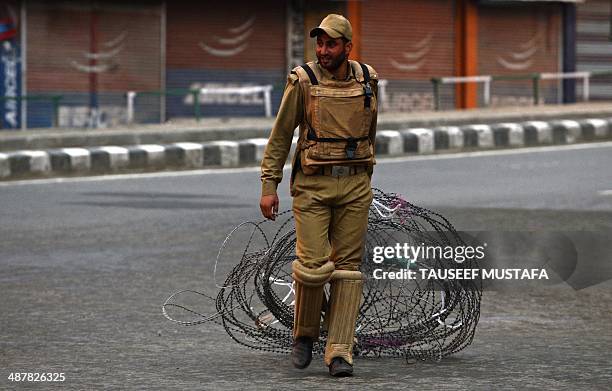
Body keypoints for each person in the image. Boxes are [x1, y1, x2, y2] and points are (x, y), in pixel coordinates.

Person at [259, 13, 378, 377]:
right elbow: (281, 136)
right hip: (312, 185)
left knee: (347, 272)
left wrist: (364, 173)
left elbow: (370, 130)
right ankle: (305, 335)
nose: (324, 50)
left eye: (331, 44)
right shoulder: (304, 81)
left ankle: (340, 351)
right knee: (311, 268)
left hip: (355, 186)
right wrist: (269, 184)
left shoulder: (368, 79)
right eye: (320, 44)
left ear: (347, 47)